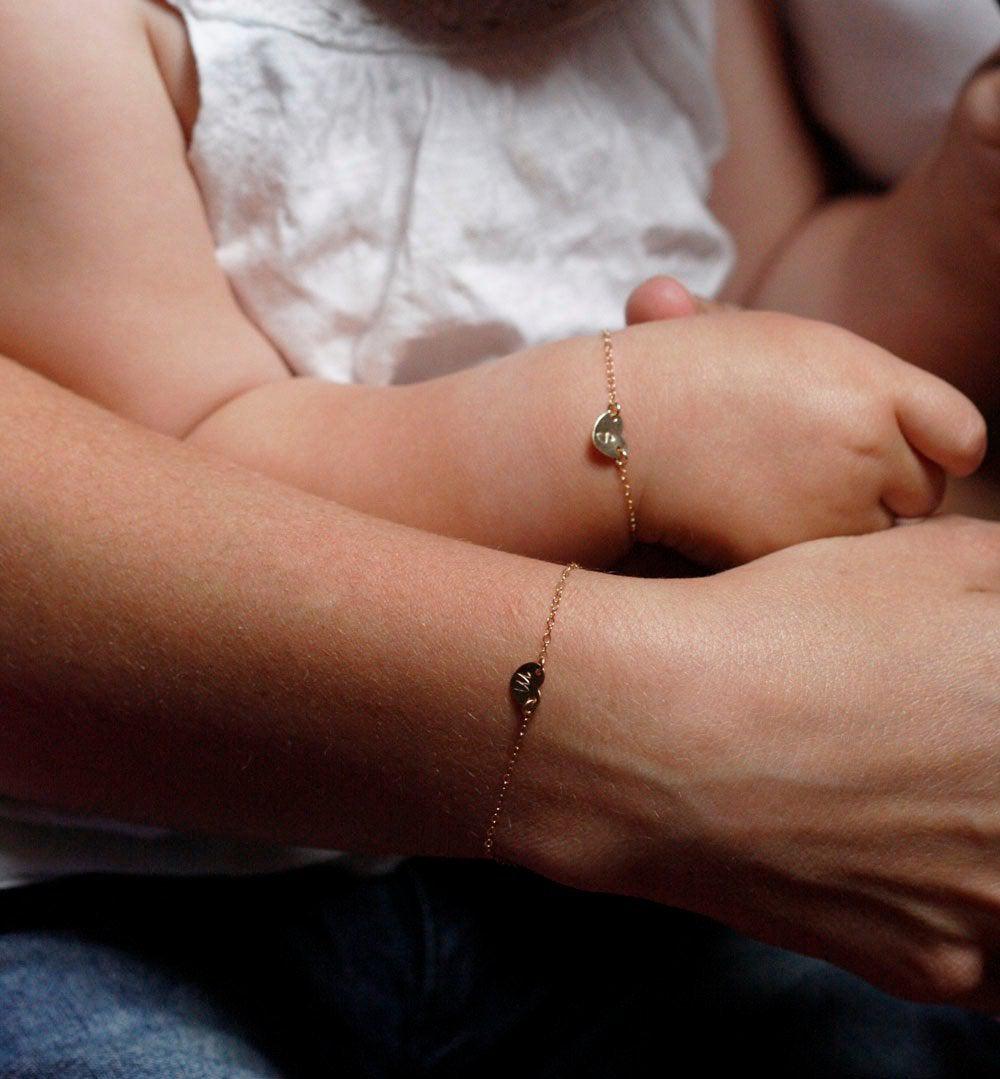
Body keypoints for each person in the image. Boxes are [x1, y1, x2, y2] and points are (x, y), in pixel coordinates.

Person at [1, 1, 1000, 1074]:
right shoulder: (67, 31)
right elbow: (192, 495)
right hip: (143, 904)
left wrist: (961, 219)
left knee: (882, 1029)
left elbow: (757, 297)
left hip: (600, 878)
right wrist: (627, 429)